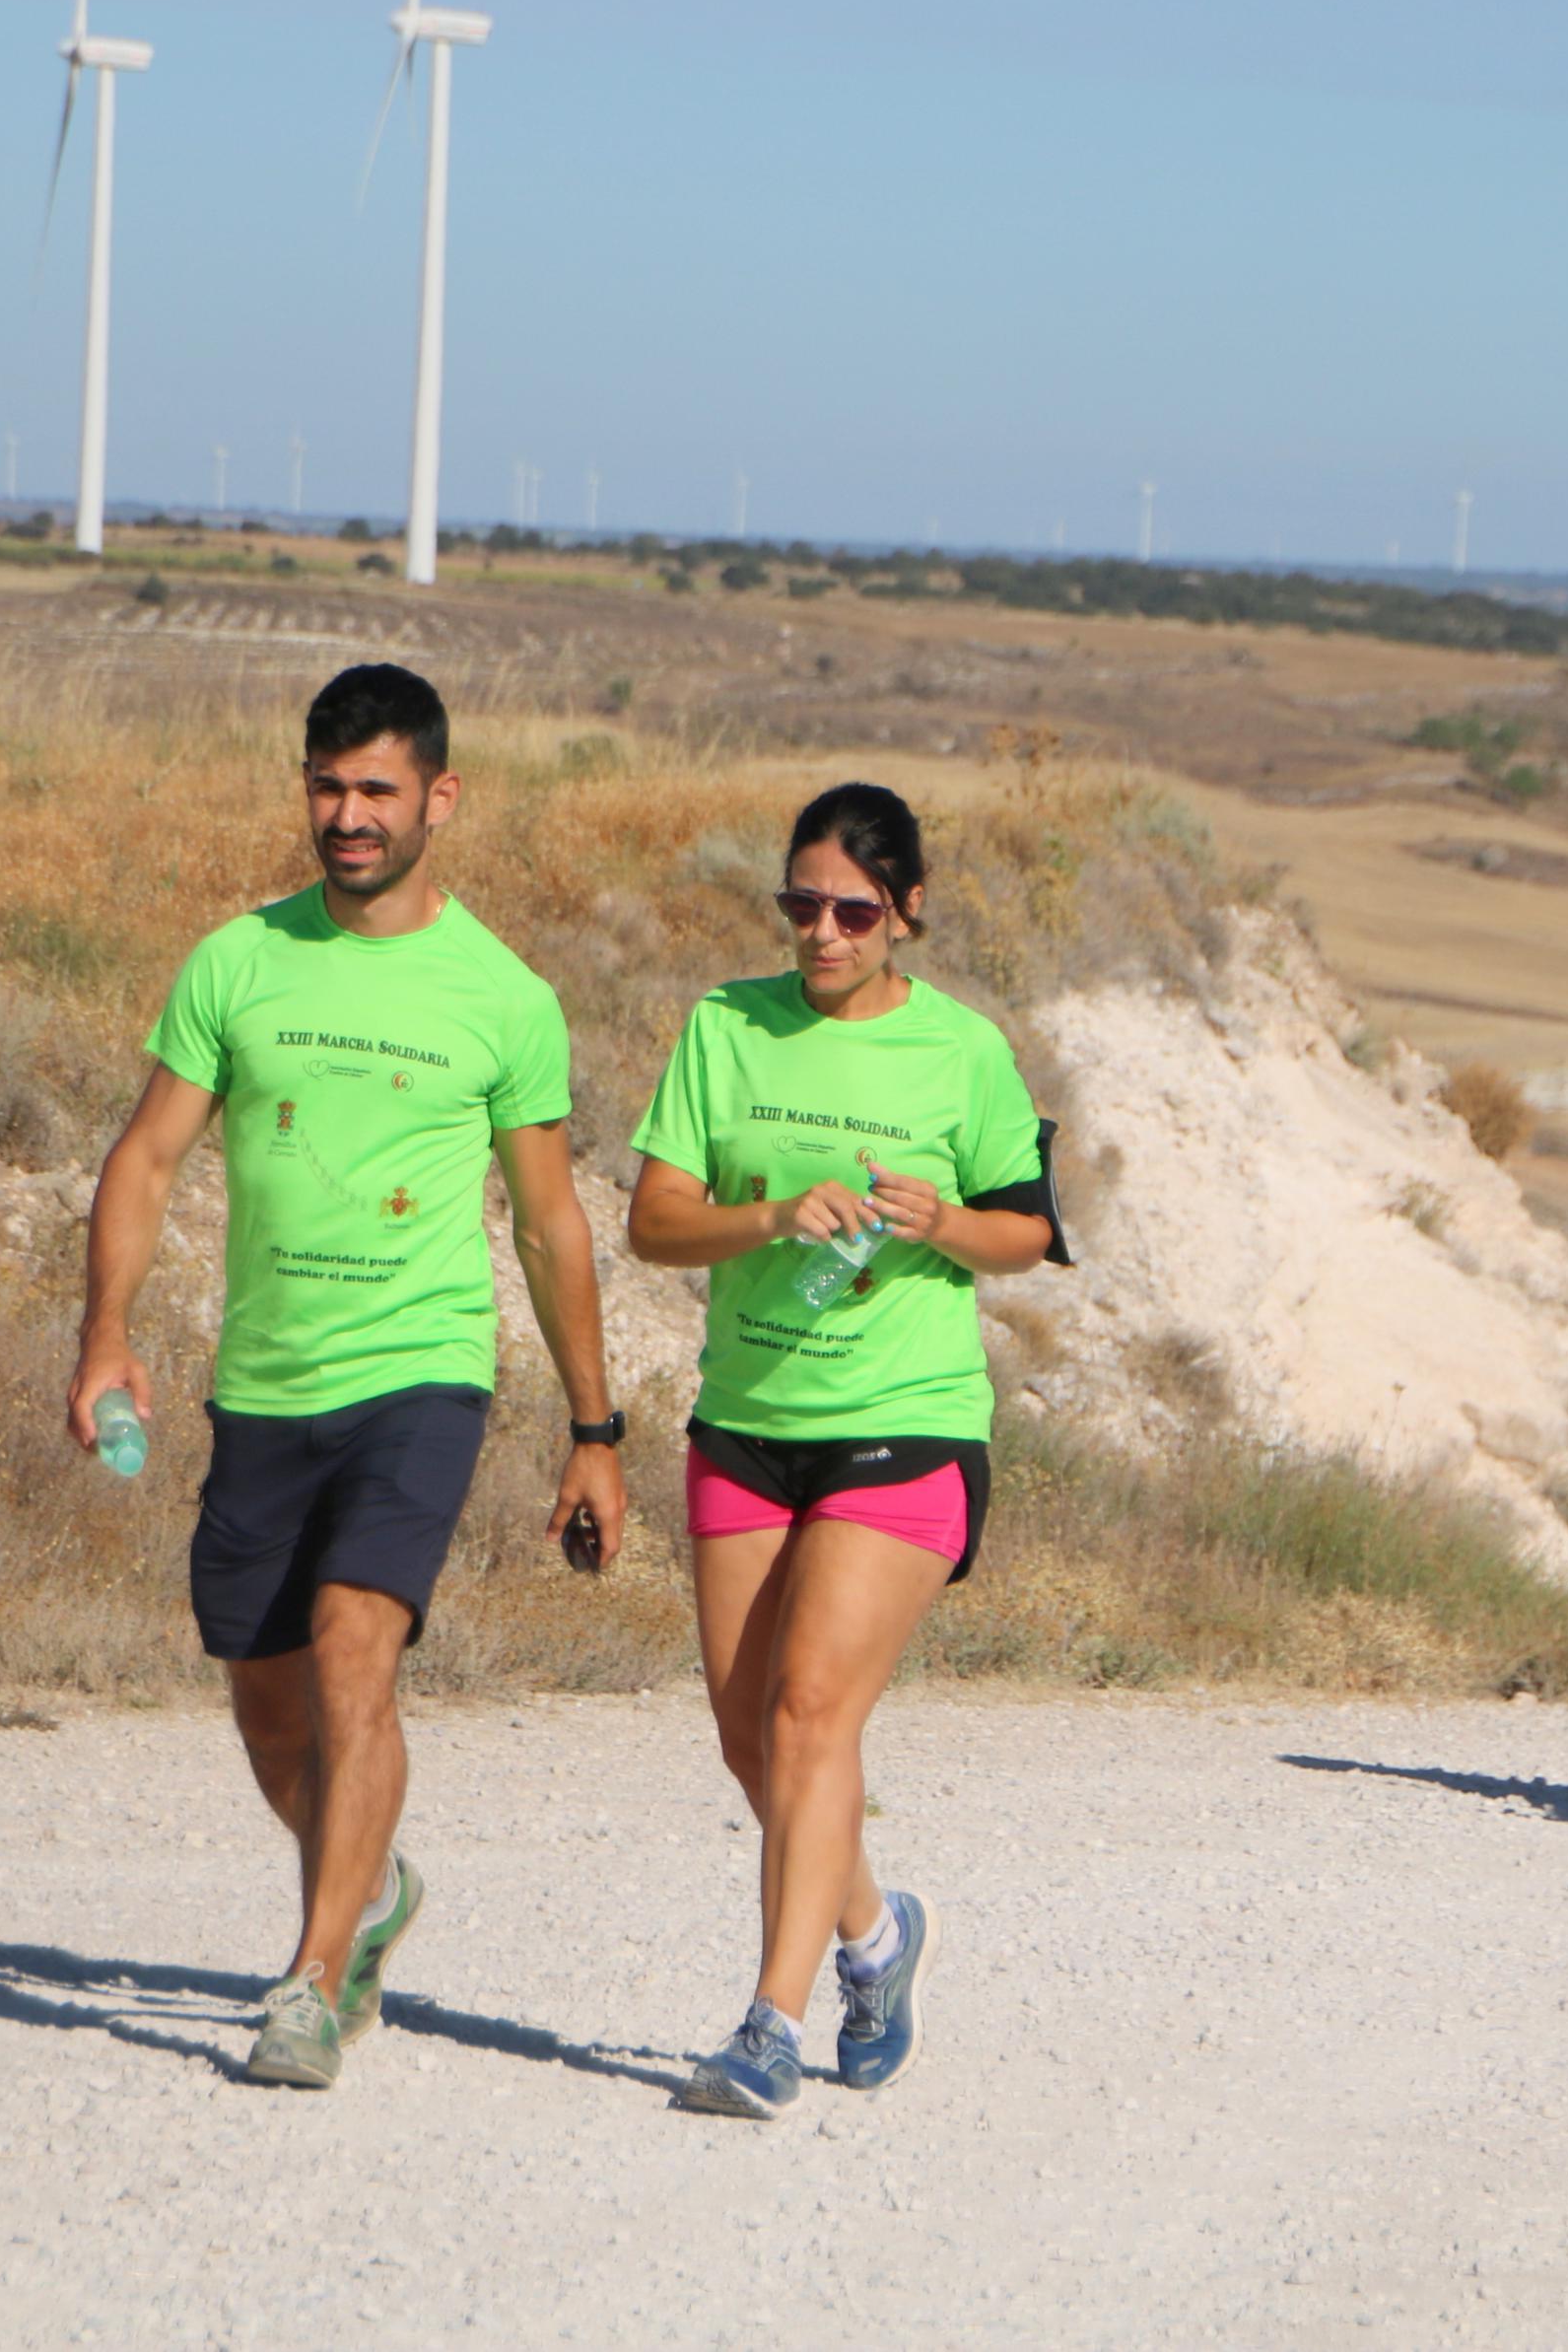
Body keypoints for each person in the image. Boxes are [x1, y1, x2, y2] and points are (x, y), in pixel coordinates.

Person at [71, 662, 632, 2092]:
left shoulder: (502, 994)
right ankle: (368, 1885)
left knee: (350, 1648)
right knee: (266, 1706)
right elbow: (145, 1158)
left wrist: (592, 1427)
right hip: (265, 1379)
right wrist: (104, 1333)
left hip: (421, 1372)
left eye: (378, 787)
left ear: (440, 797)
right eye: (327, 784)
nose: (348, 813)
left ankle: (314, 1980)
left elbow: (553, 1217)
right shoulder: (235, 959)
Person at [623, 782, 1065, 2117]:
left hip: (905, 1424)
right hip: (745, 1424)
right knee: (749, 1734)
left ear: (907, 912)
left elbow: (1028, 1231)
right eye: (800, 903)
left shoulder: (963, 1051)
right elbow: (653, 1220)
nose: (822, 931)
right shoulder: (723, 1024)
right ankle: (876, 1938)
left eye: (852, 910)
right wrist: (763, 1216)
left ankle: (768, 2021)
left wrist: (938, 1221)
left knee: (813, 1707)